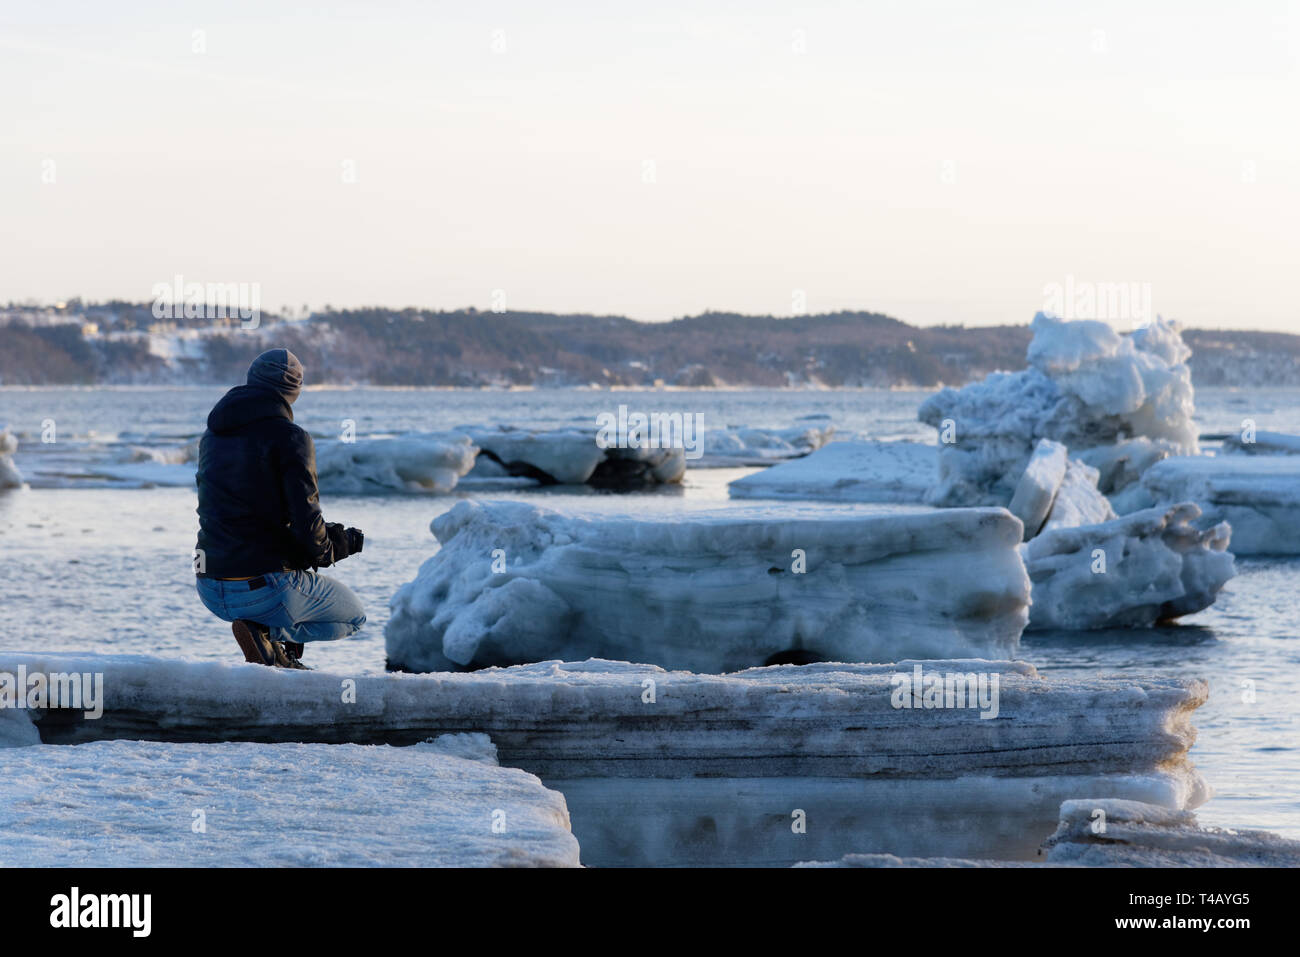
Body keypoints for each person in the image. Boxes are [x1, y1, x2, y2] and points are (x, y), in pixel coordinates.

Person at [193, 348, 366, 669]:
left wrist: (320, 540)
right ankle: (267, 632)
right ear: (293, 392)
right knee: (353, 616)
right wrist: (336, 546)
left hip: (210, 586)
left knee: (279, 579)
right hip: (262, 589)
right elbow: (308, 525)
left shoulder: (212, 436)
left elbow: (249, 514)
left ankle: (275, 652)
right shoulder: (291, 437)